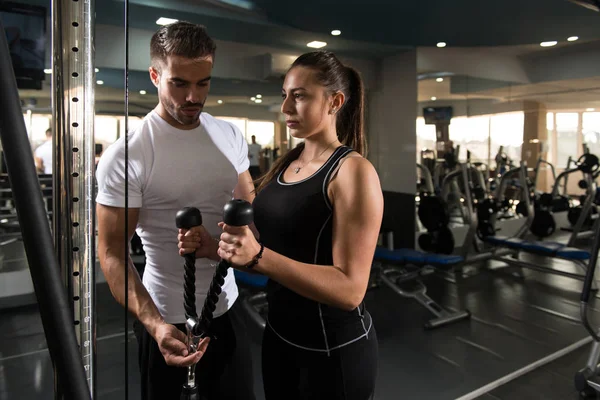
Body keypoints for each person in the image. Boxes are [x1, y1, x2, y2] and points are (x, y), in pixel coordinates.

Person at [179, 50, 383, 399]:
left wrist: (257, 257)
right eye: (284, 95)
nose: (286, 108)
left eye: (299, 96)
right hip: (279, 340)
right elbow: (274, 250)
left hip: (333, 351)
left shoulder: (352, 171)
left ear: (334, 101)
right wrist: (216, 248)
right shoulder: (288, 163)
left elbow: (350, 291)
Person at [95, 21, 256, 400]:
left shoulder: (229, 134)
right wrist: (154, 326)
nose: (193, 96)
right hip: (166, 318)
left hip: (228, 309)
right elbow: (112, 253)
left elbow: (247, 210)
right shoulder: (129, 154)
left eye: (203, 83)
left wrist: (231, 245)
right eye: (179, 83)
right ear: (155, 75)